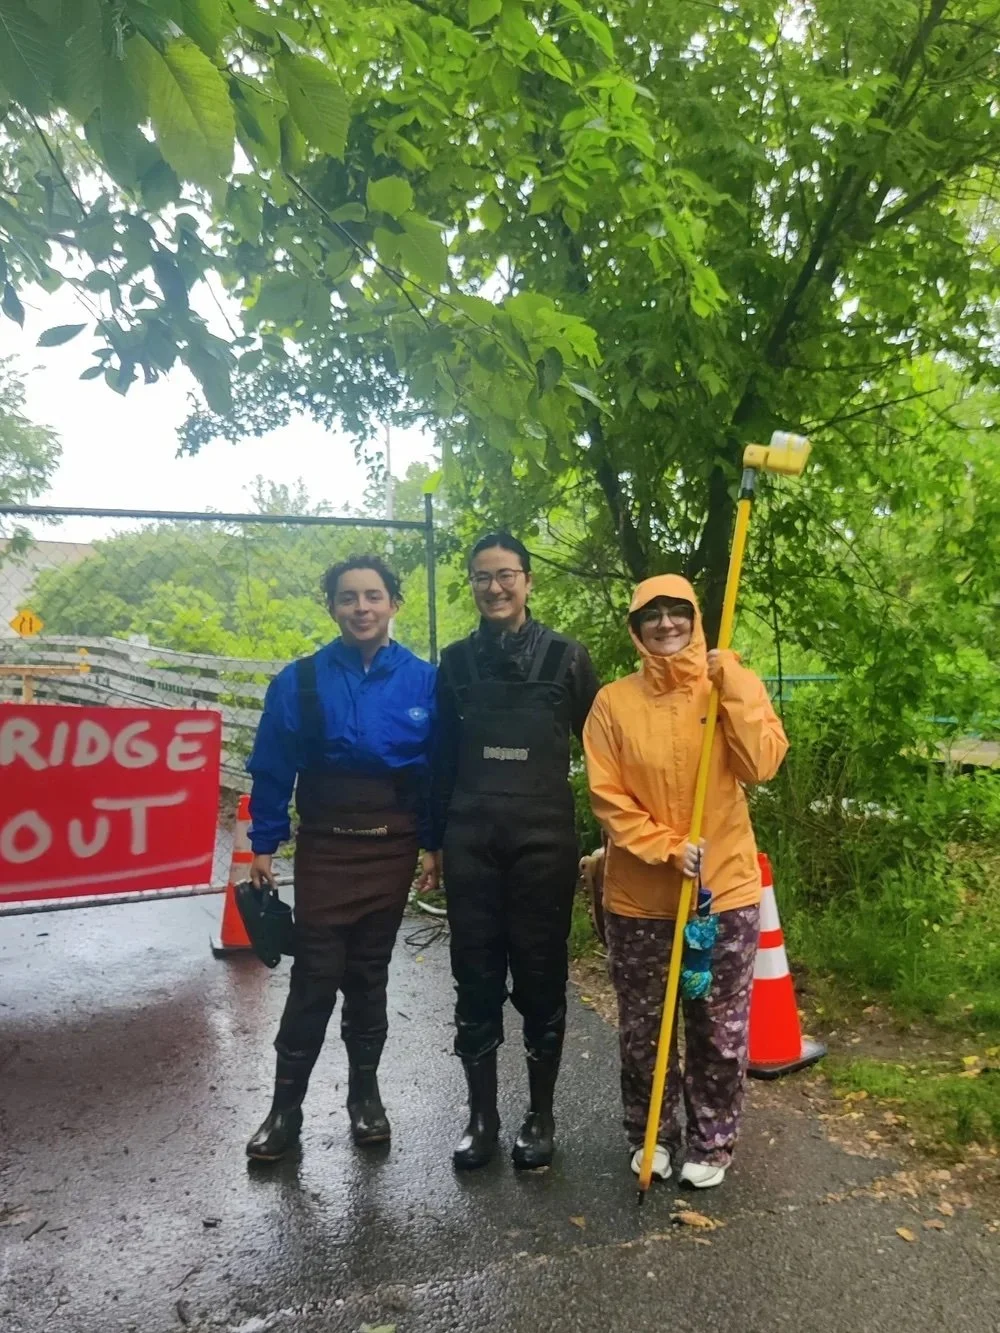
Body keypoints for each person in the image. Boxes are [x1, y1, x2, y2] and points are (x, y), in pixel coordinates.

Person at [583, 573, 787, 1188]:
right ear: (636, 628)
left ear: (696, 619)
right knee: (647, 1030)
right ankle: (651, 1137)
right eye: (652, 615)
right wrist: (667, 849)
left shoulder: (725, 687)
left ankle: (712, 1141)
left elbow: (764, 763)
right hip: (641, 897)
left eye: (678, 612)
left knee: (718, 1030)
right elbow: (607, 796)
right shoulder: (612, 704)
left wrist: (738, 684)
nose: (666, 624)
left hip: (723, 892)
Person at [245, 555, 440, 1161]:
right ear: (331, 607)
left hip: (392, 846)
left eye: (373, 596)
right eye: (348, 597)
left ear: (393, 604)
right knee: (314, 978)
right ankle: (284, 1111)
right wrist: (265, 844)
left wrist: (432, 844)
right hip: (325, 847)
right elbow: (273, 766)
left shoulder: (424, 681)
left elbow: (437, 772)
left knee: (368, 976)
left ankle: (365, 1099)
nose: (362, 608)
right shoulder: (299, 682)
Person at [434, 533, 600, 1171]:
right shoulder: (454, 663)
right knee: (473, 977)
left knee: (539, 975)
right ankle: (482, 1118)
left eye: (506, 576)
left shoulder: (568, 658)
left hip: (544, 841)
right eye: (482, 577)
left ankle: (539, 1114)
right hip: (471, 839)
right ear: (472, 586)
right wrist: (431, 841)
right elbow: (440, 758)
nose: (494, 587)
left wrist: (619, 831)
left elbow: (608, 749)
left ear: (528, 581)